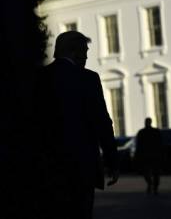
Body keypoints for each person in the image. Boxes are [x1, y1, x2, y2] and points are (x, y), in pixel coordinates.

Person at [32, 31, 119, 219]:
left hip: (49, 166)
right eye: (85, 51)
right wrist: (112, 159)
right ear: (74, 51)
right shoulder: (88, 79)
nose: (87, 56)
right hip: (82, 165)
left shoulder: (40, 78)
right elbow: (102, 122)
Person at [135, 117, 163, 195]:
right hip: (151, 155)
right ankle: (153, 186)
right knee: (152, 172)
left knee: (150, 172)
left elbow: (139, 145)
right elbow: (160, 144)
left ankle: (152, 185)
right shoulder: (154, 132)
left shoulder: (142, 132)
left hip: (148, 155)